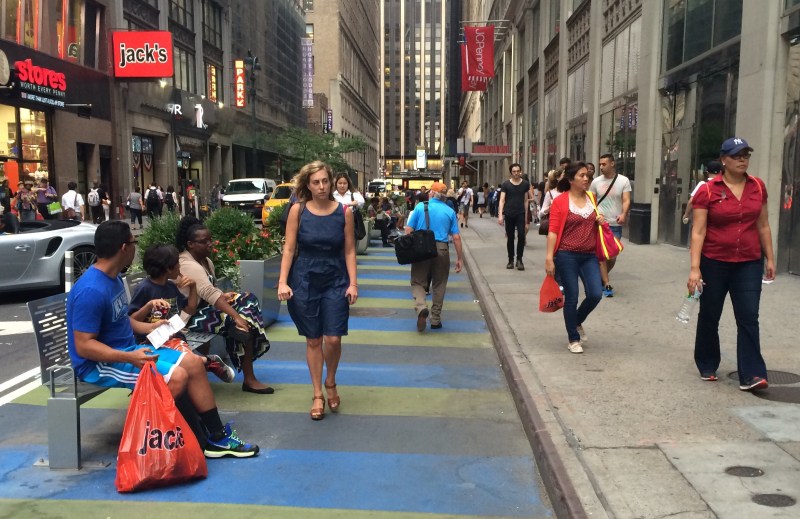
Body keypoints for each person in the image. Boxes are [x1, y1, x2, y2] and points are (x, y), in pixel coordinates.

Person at [67, 220, 259, 458]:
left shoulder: (113, 278)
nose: (135, 247)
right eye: (133, 241)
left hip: (128, 350)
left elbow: (121, 321)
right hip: (99, 365)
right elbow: (84, 346)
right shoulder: (91, 290)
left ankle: (217, 437)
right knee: (176, 377)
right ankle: (152, 440)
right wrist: (130, 356)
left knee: (194, 363)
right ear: (123, 248)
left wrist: (151, 326)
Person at [687, 137, 775, 391]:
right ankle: (707, 361)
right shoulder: (707, 190)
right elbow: (699, 231)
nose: (742, 159)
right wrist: (695, 268)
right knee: (710, 315)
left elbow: (763, 225)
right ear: (724, 160)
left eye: (746, 155)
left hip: (748, 262)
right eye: (736, 155)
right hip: (714, 261)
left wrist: (769, 257)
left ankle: (752, 374)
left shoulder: (757, 186)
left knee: (749, 316)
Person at [277, 161, 358, 421]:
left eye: (325, 181)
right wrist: (282, 281)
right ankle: (317, 393)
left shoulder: (344, 212)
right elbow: (289, 248)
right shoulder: (298, 211)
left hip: (335, 278)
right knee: (313, 339)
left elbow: (349, 250)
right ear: (307, 185)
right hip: (305, 278)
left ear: (332, 182)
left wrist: (353, 283)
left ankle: (331, 381)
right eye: (316, 182)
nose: (321, 187)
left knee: (333, 338)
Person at [177, 216, 273, 394]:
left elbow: (212, 290)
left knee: (247, 298)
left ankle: (240, 328)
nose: (210, 244)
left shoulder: (205, 261)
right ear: (190, 244)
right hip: (188, 317)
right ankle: (249, 378)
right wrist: (236, 316)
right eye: (204, 242)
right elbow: (209, 294)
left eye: (210, 240)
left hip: (205, 310)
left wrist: (225, 295)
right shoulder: (187, 264)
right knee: (239, 323)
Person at [128, 244, 235, 383]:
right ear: (168, 268)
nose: (180, 267)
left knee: (187, 364)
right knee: (186, 363)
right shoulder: (144, 288)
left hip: (173, 336)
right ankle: (208, 362)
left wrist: (193, 287)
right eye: (177, 263)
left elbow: (190, 309)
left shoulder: (171, 287)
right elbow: (131, 320)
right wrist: (148, 306)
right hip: (148, 341)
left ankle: (206, 363)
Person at [544, 162, 604, 354]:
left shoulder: (592, 198)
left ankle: (576, 320)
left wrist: (600, 220)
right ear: (571, 179)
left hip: (589, 255)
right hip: (566, 254)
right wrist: (549, 258)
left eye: (587, 175)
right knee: (572, 297)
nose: (586, 178)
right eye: (581, 175)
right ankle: (573, 338)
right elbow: (552, 231)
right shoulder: (560, 201)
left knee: (595, 293)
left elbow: (595, 224)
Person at [404, 182, 463, 332]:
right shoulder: (449, 211)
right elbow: (456, 237)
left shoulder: (420, 207)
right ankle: (435, 319)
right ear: (444, 197)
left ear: (431, 193)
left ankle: (421, 306)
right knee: (440, 283)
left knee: (418, 281)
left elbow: (409, 230)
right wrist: (459, 258)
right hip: (441, 249)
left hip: (422, 247)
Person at [590, 154, 631, 297]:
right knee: (602, 255)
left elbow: (626, 200)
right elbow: (592, 201)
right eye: (600, 164)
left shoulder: (623, 181)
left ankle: (599, 278)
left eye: (604, 164)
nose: (601, 167)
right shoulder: (595, 182)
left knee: (612, 256)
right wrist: (595, 216)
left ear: (612, 164)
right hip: (600, 224)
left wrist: (624, 213)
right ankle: (606, 284)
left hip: (615, 224)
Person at [498, 163, 531, 270]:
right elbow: (502, 200)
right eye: (514, 171)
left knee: (521, 236)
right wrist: (500, 215)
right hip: (509, 213)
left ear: (520, 171)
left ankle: (519, 260)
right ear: (511, 172)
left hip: (520, 213)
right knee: (510, 237)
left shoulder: (525, 184)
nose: (516, 173)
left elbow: (526, 201)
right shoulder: (506, 184)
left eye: (518, 171)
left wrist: (526, 218)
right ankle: (510, 260)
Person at [683, 160, 722, 224]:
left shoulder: (703, 184)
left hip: (703, 220)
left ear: (707, 172)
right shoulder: (724, 185)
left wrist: (686, 215)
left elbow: (691, 201)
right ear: (720, 172)